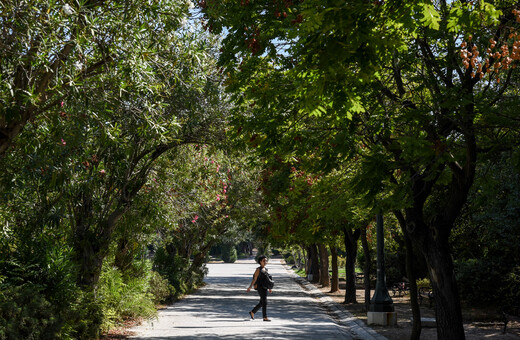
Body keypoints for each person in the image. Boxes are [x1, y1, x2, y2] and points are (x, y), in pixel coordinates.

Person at [246, 255, 272, 321]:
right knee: (264, 302)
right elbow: (255, 279)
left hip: (265, 287)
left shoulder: (266, 269)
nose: (265, 262)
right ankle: (265, 317)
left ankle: (252, 312)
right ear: (260, 262)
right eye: (264, 261)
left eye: (266, 260)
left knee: (262, 302)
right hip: (260, 287)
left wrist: (269, 288)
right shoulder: (258, 269)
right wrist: (250, 287)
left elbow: (267, 279)